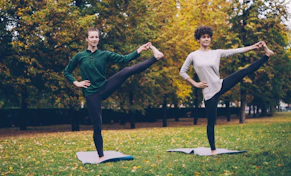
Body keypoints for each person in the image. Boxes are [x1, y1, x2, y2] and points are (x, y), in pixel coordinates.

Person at [64, 27, 164, 161]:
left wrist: (139, 49)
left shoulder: (104, 54)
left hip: (104, 87)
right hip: (91, 94)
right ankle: (101, 156)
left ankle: (155, 58)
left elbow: (125, 58)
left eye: (96, 37)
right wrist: (76, 82)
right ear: (86, 39)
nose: (94, 39)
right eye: (92, 37)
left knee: (126, 71)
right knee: (97, 125)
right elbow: (67, 71)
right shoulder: (80, 56)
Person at [179, 26, 274, 155]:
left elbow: (235, 51)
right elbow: (182, 72)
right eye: (203, 37)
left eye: (208, 37)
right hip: (208, 92)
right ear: (198, 40)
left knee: (243, 72)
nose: (206, 39)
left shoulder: (216, 53)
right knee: (211, 121)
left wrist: (253, 47)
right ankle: (213, 150)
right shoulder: (193, 55)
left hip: (220, 85)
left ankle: (266, 56)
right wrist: (195, 84)